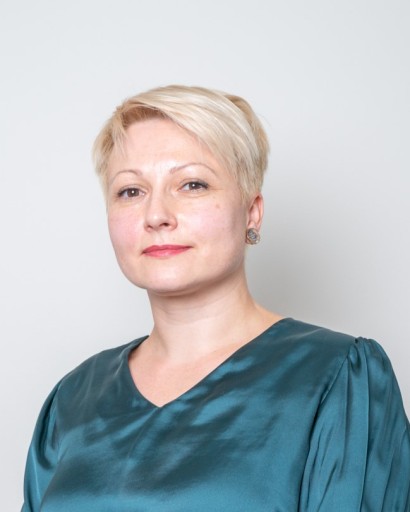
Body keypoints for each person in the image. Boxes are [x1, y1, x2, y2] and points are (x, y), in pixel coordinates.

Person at [22, 85, 410, 511]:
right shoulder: (73, 398)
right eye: (131, 191)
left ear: (252, 212)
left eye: (192, 184)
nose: (156, 216)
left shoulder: (337, 377)